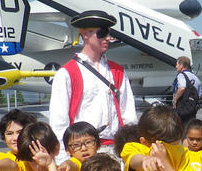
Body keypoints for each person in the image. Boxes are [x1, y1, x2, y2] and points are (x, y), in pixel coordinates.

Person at [49, 10, 137, 162]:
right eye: (102, 33)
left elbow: (128, 116)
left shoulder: (118, 71)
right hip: (82, 152)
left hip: (115, 151)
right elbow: (59, 122)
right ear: (85, 35)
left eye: (108, 33)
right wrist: (64, 160)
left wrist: (131, 151)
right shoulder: (66, 73)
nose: (108, 38)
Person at [173, 56, 202, 125]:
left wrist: (175, 100)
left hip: (182, 108)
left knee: (179, 128)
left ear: (181, 66)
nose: (176, 66)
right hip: (192, 109)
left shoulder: (181, 75)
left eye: (177, 64)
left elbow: (182, 88)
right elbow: (199, 95)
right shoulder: (196, 78)